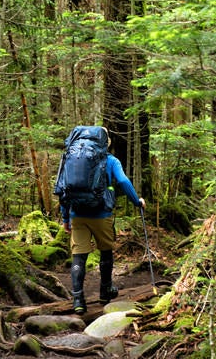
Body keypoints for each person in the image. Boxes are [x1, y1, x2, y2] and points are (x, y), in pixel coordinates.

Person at [60, 128, 146, 314]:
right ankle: (105, 291)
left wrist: (65, 217)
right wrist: (136, 201)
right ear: (105, 142)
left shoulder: (70, 157)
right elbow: (123, 181)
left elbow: (62, 188)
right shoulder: (110, 160)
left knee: (78, 257)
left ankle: (78, 300)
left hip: (77, 214)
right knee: (106, 252)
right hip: (102, 214)